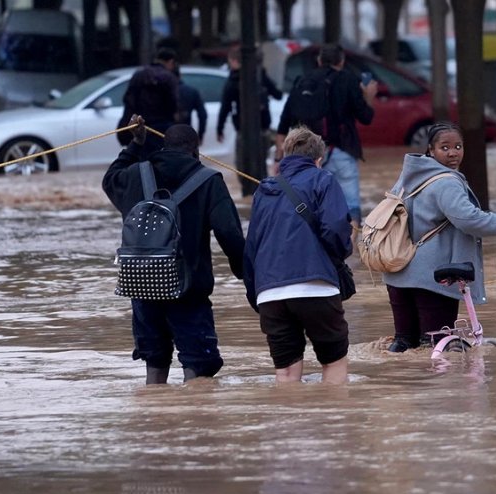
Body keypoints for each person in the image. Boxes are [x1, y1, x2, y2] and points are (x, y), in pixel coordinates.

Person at [102, 115, 246, 384]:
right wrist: (245, 273)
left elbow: (109, 179)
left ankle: (156, 419)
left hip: (143, 286)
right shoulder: (209, 180)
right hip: (188, 290)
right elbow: (229, 233)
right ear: (196, 150)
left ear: (163, 146)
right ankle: (191, 421)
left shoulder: (135, 173)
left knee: (155, 361)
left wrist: (135, 145)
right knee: (198, 366)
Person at [383, 122, 496, 353]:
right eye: (444, 147)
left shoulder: (407, 178)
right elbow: (470, 220)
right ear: (431, 150)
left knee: (405, 348)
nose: (453, 152)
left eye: (458, 146)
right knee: (438, 349)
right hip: (434, 279)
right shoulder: (447, 181)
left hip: (398, 275)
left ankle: (400, 388)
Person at [243, 126, 353, 384]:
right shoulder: (323, 180)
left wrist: (256, 294)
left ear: (284, 155)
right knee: (333, 364)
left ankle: (290, 420)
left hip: (270, 293)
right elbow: (336, 230)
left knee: (286, 373)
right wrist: (340, 256)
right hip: (316, 288)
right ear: (318, 160)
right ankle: (336, 423)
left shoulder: (264, 190)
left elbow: (251, 247)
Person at [275, 43, 377, 228]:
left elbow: (284, 124)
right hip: (341, 150)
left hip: (306, 156)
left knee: (312, 203)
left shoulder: (303, 81)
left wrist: (278, 158)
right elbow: (366, 117)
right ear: (342, 61)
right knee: (350, 204)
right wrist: (369, 97)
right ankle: (351, 249)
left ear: (319, 60)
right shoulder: (348, 80)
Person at [216, 45, 283, 197]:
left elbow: (225, 106)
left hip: (245, 131)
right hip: (262, 129)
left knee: (243, 166)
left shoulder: (234, 80)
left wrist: (219, 128)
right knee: (261, 166)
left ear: (234, 61)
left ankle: (250, 194)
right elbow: (278, 94)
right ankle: (262, 195)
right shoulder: (259, 76)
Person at [116, 48, 179, 147]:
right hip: (161, 128)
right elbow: (174, 104)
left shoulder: (138, 75)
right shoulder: (169, 77)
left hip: (140, 127)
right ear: (171, 62)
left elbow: (129, 101)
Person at [175, 69, 207, 144]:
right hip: (186, 133)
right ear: (179, 75)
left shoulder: (162, 92)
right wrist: (200, 135)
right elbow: (203, 115)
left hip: (164, 134)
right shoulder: (191, 91)